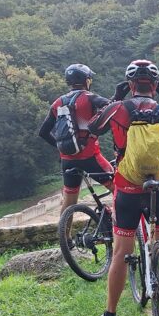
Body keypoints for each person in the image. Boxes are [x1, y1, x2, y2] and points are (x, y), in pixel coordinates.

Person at [88, 59, 159, 316]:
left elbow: (93, 127)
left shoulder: (117, 108)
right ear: (155, 86)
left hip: (127, 188)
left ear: (130, 84)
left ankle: (110, 315)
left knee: (122, 252)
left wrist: (115, 97)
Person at [38, 64, 113, 215]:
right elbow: (113, 108)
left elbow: (43, 132)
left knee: (69, 202)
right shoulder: (90, 98)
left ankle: (64, 230)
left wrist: (62, 147)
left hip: (67, 160)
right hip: (90, 157)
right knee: (119, 188)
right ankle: (119, 224)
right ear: (87, 80)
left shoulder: (58, 102)